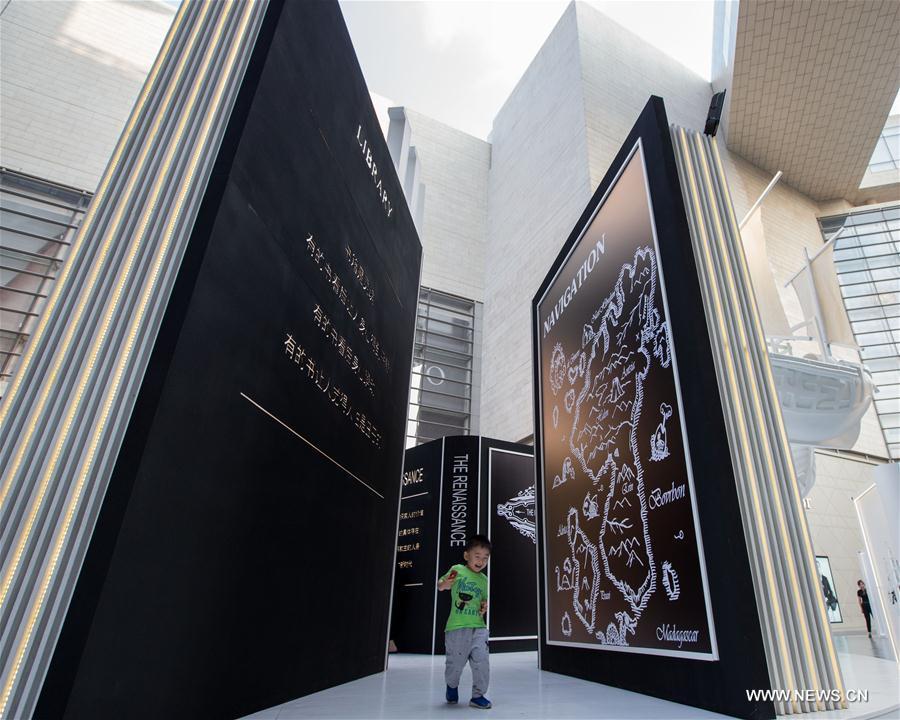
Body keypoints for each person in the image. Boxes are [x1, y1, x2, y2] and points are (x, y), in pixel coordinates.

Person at [437, 534, 491, 709]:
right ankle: (452, 685)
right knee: (455, 664)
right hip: (457, 628)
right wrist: (446, 582)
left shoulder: (484, 580)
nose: (481, 561)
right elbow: (441, 586)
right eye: (477, 556)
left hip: (479, 627)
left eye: (485, 558)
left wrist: (484, 607)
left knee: (482, 662)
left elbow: (483, 601)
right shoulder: (457, 569)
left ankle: (478, 695)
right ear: (467, 555)